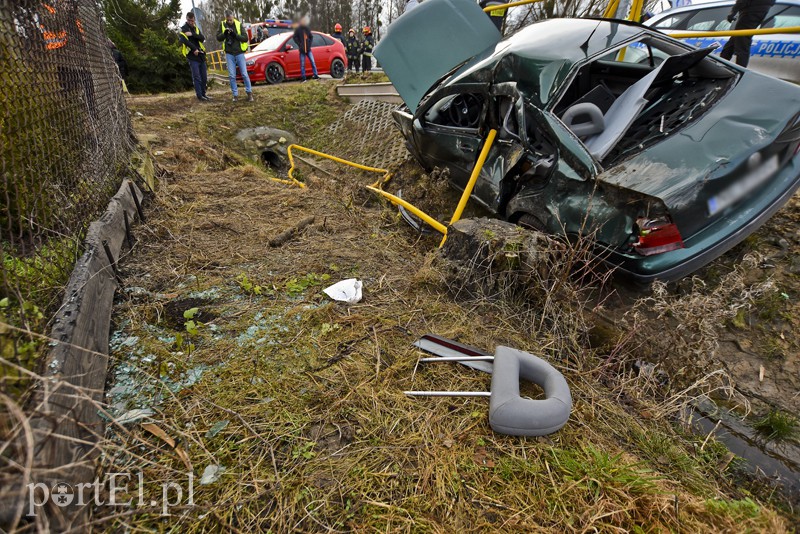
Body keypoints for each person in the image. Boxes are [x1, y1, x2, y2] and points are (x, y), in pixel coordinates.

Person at [720, 0, 775, 67]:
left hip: (750, 10)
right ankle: (721, 67)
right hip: (761, 8)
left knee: (742, 44)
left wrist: (733, 12)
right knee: (731, 45)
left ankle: (740, 72)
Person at [216, 11, 253, 102]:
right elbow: (218, 38)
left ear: (233, 17)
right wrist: (224, 34)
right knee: (232, 76)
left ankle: (249, 93)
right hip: (229, 53)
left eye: (231, 20)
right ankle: (235, 95)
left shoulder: (238, 24)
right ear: (226, 18)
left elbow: (245, 38)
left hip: (239, 53)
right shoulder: (222, 24)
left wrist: (235, 35)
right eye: (228, 20)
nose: (230, 22)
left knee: (244, 74)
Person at [179, 12, 211, 102]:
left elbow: (202, 38)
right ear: (186, 19)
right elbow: (185, 41)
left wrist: (193, 34)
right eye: (189, 20)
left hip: (201, 55)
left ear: (194, 20)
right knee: (197, 76)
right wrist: (194, 49)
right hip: (192, 56)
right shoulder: (183, 30)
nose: (190, 22)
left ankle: (204, 94)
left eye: (192, 21)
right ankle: (200, 95)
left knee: (204, 77)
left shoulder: (196, 29)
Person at [292, 16, 319, 82]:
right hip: (302, 50)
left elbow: (311, 37)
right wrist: (299, 44)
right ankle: (303, 78)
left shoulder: (307, 29)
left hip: (308, 49)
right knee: (302, 64)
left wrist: (309, 43)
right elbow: (294, 37)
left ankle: (316, 75)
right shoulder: (298, 29)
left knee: (312, 62)